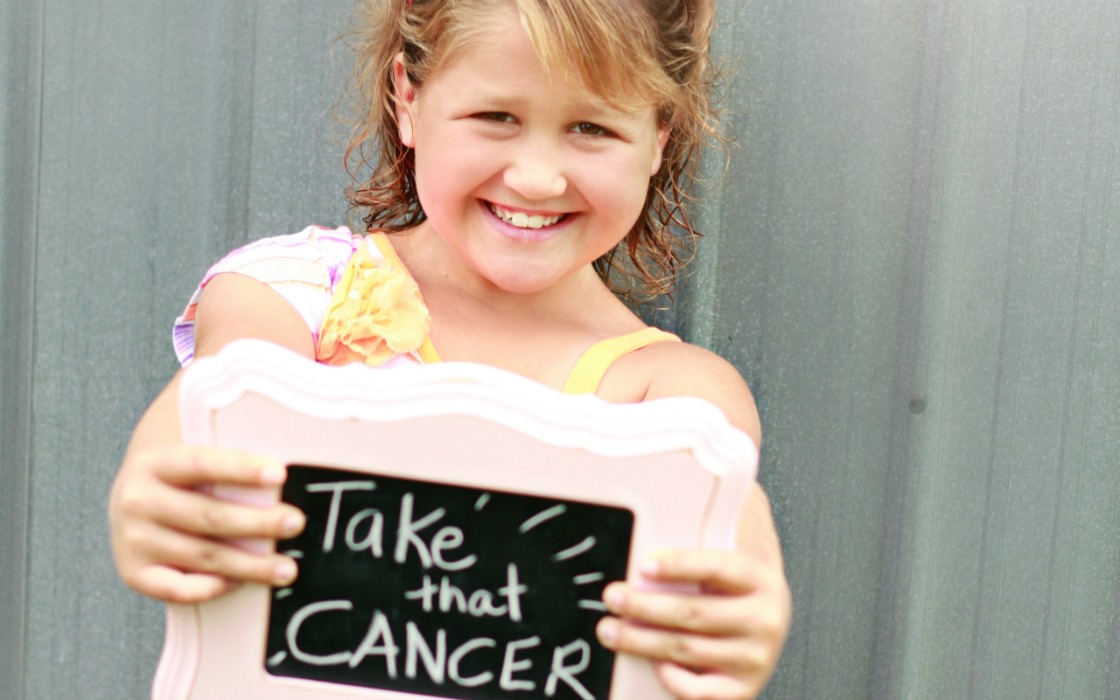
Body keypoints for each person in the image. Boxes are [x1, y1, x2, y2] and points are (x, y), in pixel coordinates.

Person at [109, 0, 791, 697]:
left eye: (592, 127)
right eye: (497, 117)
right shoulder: (293, 294)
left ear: (658, 137)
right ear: (409, 97)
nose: (536, 178)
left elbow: (730, 518)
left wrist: (746, 596)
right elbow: (213, 409)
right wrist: (158, 487)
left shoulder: (667, 387)